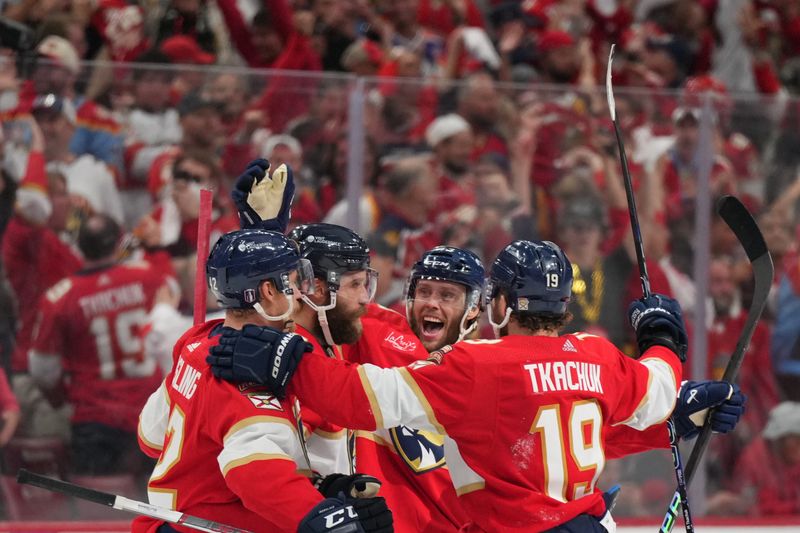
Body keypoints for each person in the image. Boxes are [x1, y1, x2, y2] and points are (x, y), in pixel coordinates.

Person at [209, 239, 746, 532]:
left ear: (490, 306)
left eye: (450, 294)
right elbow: (653, 388)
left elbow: (351, 396)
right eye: (425, 291)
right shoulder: (598, 355)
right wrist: (664, 353)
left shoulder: (476, 367)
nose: (432, 305)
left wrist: (288, 362)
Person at [135, 227, 392, 533]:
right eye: (296, 283)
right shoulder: (248, 376)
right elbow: (253, 472)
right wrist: (322, 518)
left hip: (171, 521)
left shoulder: (197, 343)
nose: (300, 294)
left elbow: (149, 436)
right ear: (269, 292)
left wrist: (318, 485)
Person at [28, 213, 172, 475]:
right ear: (118, 243)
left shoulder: (60, 297)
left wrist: (60, 398)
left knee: (97, 506)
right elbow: (172, 321)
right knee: (156, 506)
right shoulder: (147, 277)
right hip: (151, 412)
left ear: (79, 245)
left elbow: (42, 369)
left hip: (94, 418)